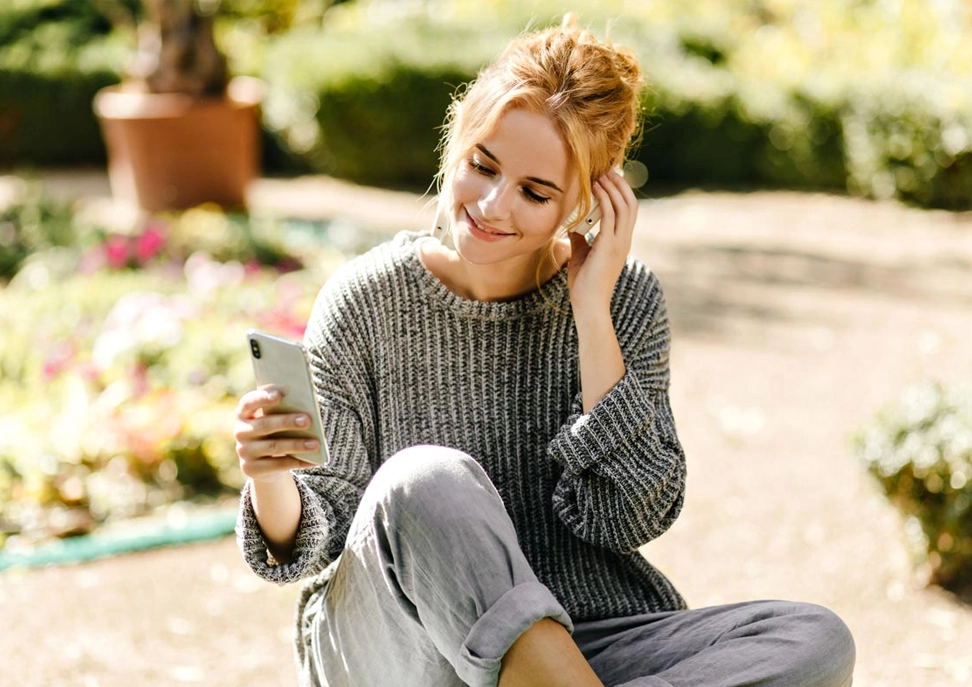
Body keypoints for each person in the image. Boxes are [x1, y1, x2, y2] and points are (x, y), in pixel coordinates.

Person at [234, 15, 856, 687]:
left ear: (585, 203)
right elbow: (314, 546)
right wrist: (270, 475)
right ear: (457, 141)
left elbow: (630, 515)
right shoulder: (364, 301)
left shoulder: (623, 299)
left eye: (536, 192)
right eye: (483, 165)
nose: (494, 204)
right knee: (425, 481)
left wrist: (592, 312)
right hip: (404, 649)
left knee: (813, 638)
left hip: (590, 638)